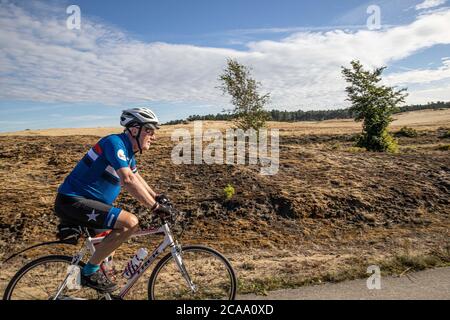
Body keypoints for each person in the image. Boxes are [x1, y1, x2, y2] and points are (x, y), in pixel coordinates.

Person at [54, 107, 171, 292]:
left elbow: (136, 176)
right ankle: (88, 272)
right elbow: (128, 180)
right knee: (129, 223)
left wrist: (156, 196)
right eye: (149, 130)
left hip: (87, 203)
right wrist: (155, 207)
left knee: (108, 257)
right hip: (73, 201)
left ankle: (73, 289)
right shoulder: (114, 142)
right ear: (134, 129)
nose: (153, 136)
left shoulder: (127, 151)